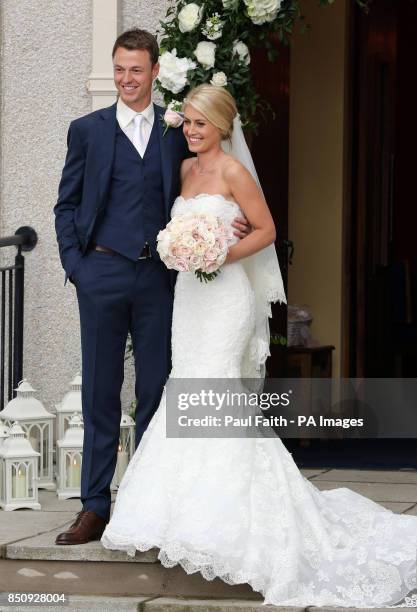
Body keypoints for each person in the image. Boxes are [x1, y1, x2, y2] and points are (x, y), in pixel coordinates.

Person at [101, 84, 417, 609]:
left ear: (223, 127)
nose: (194, 131)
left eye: (203, 124)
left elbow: (266, 230)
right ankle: (180, 512)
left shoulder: (232, 171)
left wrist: (219, 253)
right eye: (190, 123)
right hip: (189, 299)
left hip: (225, 296)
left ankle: (232, 516)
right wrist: (183, 250)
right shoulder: (182, 171)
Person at [53, 29, 250, 546]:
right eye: (119, 69)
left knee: (156, 393)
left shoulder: (173, 132)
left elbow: (206, 182)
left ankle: (144, 504)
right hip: (101, 274)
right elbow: (66, 204)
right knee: (100, 393)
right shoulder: (88, 131)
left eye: (136, 70)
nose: (126, 79)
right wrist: (77, 266)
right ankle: (94, 506)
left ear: (155, 72)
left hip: (157, 281)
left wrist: (231, 223)